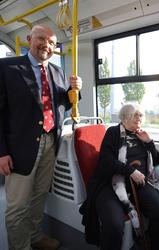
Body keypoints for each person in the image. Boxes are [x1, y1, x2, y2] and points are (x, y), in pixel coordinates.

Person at [0, 25, 82, 250]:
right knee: (17, 206)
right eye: (41, 39)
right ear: (29, 39)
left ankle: (35, 236)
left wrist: (77, 90)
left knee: (39, 196)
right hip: (18, 148)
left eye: (52, 43)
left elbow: (65, 103)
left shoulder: (57, 72)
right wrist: (1, 152)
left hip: (50, 142)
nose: (47, 45)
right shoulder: (6, 67)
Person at [80, 103, 159, 250]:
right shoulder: (113, 132)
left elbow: (157, 161)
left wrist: (149, 142)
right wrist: (130, 171)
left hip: (139, 184)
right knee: (114, 224)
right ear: (126, 117)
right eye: (135, 115)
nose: (139, 118)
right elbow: (105, 162)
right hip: (111, 183)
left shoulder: (141, 135)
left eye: (141, 115)